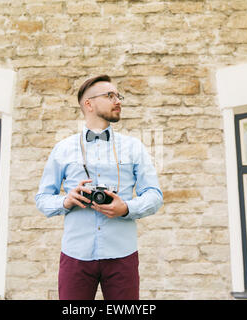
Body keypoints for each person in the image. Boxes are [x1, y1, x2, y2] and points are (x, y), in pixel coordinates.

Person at [35, 75, 163, 300]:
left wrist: (126, 209)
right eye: (110, 96)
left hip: (122, 254)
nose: (118, 101)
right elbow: (43, 198)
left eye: (118, 96)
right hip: (76, 255)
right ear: (89, 104)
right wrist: (66, 200)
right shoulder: (63, 148)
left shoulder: (134, 147)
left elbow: (154, 195)